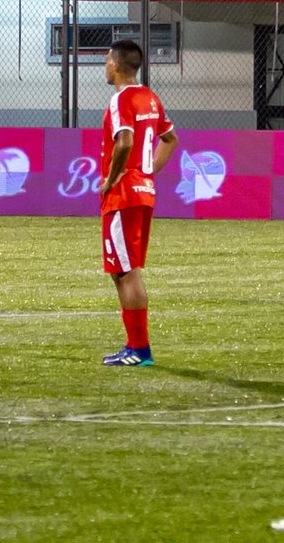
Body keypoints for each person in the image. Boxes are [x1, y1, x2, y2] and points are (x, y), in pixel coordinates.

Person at [97, 39, 177, 368]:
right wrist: (148, 172)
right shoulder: (150, 98)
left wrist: (112, 179)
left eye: (106, 60)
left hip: (124, 195)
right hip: (142, 192)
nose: (105, 65)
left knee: (127, 273)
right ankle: (134, 347)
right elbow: (170, 138)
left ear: (116, 64)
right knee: (122, 271)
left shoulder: (122, 99)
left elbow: (125, 141)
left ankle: (140, 350)